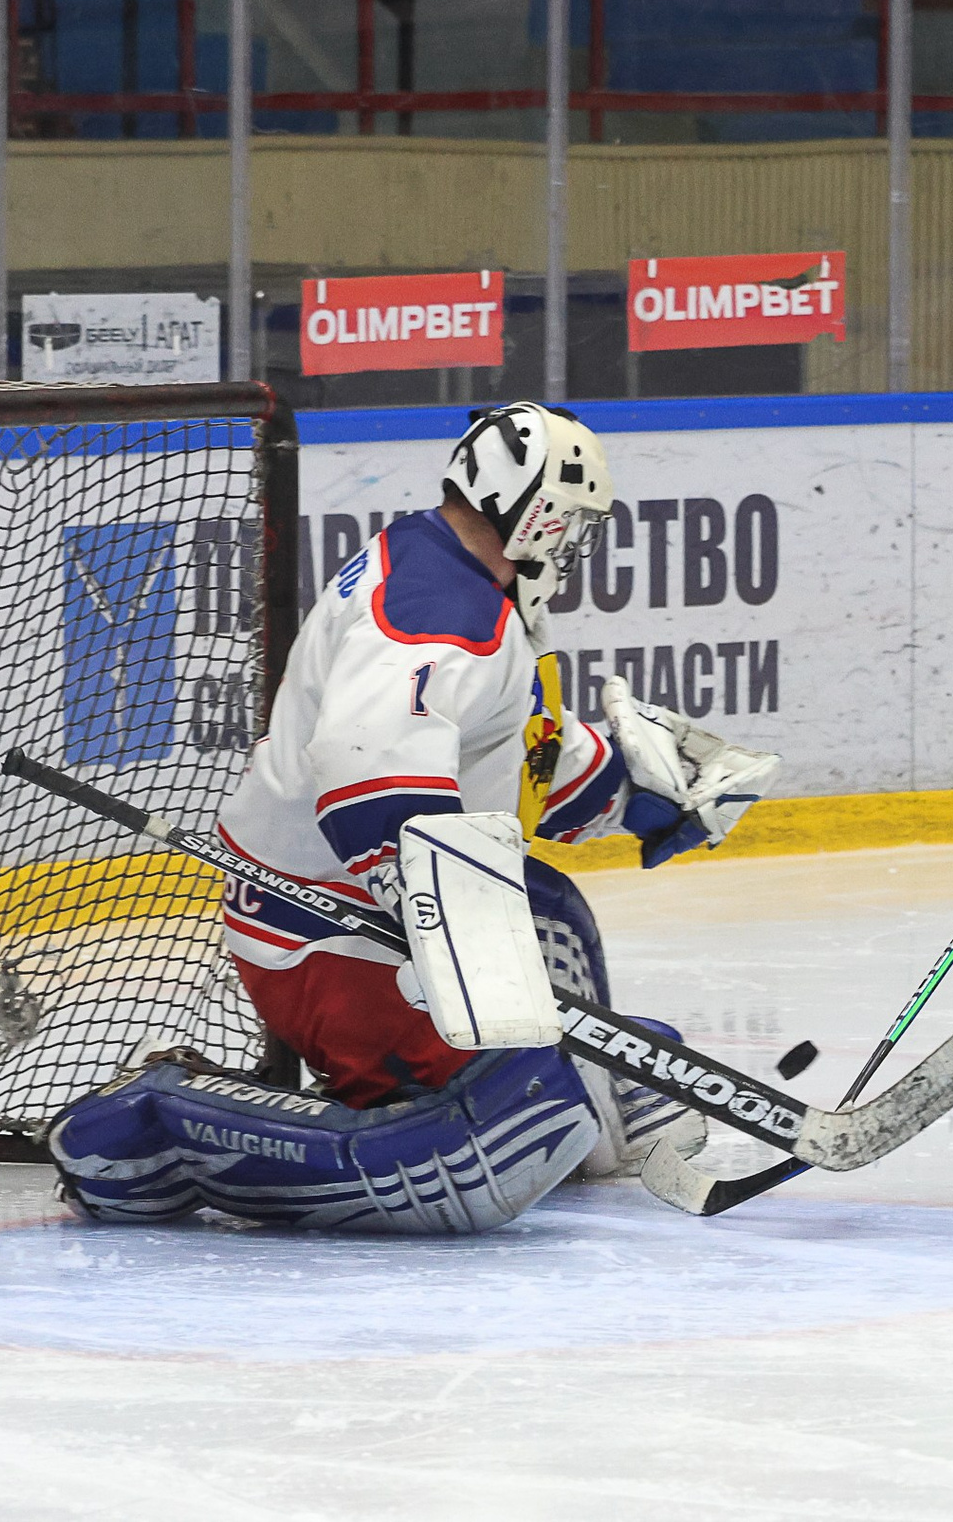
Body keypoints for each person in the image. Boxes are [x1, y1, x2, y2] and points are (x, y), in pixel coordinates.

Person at [47, 403, 779, 1235]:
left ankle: (520, 1076)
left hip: (373, 907)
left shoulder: (466, 588)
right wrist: (446, 932)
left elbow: (513, 755)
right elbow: (368, 777)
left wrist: (635, 789)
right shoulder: (440, 611)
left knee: (606, 1046)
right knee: (489, 1154)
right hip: (324, 938)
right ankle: (152, 1127)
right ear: (534, 511)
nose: (573, 546)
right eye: (570, 522)